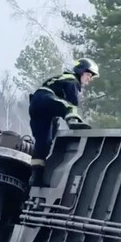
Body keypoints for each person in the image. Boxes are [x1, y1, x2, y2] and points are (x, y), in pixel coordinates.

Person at [28, 58, 98, 187]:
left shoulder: (61, 79)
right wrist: (76, 120)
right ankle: (73, 121)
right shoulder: (71, 80)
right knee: (70, 107)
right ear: (81, 71)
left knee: (44, 143)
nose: (89, 79)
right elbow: (73, 101)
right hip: (44, 99)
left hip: (37, 107)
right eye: (88, 75)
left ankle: (35, 177)